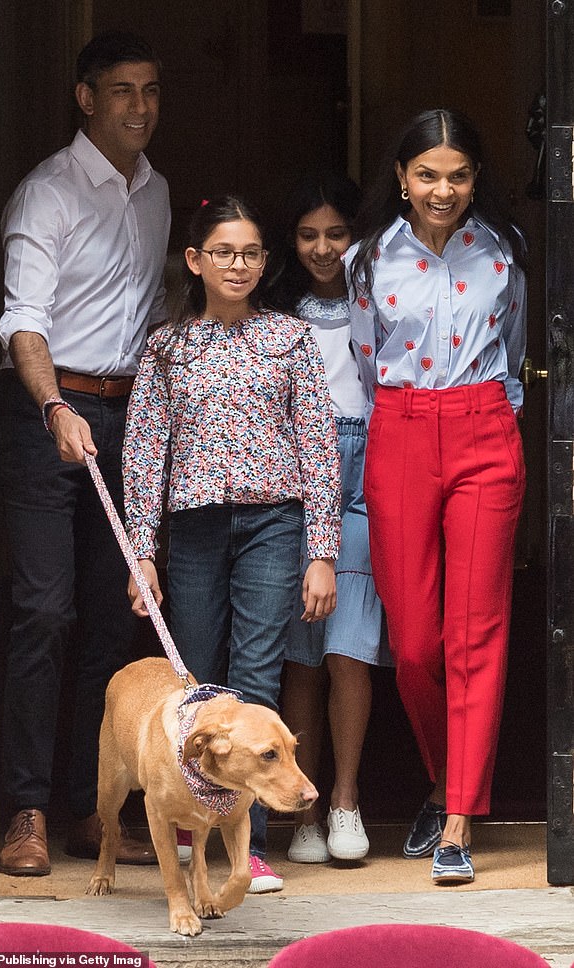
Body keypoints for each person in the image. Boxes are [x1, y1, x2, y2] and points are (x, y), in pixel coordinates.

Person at [123, 194, 341, 893]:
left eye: (250, 252)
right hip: (190, 530)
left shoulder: (291, 339)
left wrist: (322, 550)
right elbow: (144, 452)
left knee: (255, 672)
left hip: (273, 524)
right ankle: (192, 838)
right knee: (192, 682)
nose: (238, 264)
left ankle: (248, 848)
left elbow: (318, 446)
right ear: (195, 260)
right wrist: (142, 551)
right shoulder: (167, 346)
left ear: (264, 261)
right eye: (223, 252)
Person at [0, 30, 171, 876]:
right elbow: (23, 320)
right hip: (47, 415)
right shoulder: (48, 194)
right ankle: (23, 808)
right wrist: (54, 404)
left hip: (126, 415)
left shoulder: (156, 192)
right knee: (44, 612)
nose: (140, 106)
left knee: (113, 623)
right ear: (86, 98)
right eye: (123, 90)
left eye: (151, 90)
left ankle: (89, 812)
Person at [346, 108, 527, 884]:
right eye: (427, 175)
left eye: (457, 175)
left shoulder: (505, 253)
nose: (442, 189)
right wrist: (411, 419)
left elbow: (515, 351)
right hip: (402, 429)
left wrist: (490, 416)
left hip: (485, 425)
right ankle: (445, 774)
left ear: (475, 178)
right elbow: (363, 362)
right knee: (417, 641)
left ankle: (456, 818)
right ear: (401, 178)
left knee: (475, 631)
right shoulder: (366, 261)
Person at [265, 172, 388, 866]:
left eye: (335, 234)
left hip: (367, 473)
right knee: (302, 658)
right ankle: (303, 809)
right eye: (308, 235)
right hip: (294, 478)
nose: (322, 249)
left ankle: (346, 799)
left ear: (357, 237)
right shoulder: (275, 314)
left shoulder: (379, 303)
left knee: (350, 650)